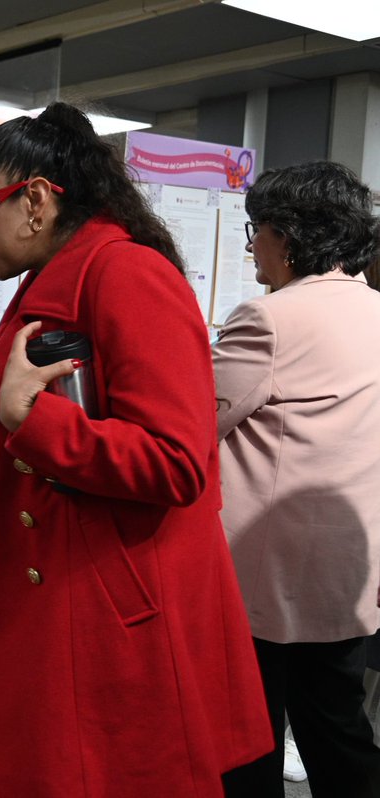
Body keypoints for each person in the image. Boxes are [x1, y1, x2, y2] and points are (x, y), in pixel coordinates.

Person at [0, 102, 270, 795]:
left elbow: (175, 462)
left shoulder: (125, 275)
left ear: (35, 200)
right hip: (55, 595)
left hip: (95, 611)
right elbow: (3, 447)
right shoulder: (50, 281)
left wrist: (36, 424)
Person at [216, 161, 380, 798]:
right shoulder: (374, 309)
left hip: (265, 573)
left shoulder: (269, 319)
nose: (252, 242)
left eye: (255, 228)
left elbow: (192, 425)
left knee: (249, 734)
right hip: (347, 566)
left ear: (286, 235)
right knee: (337, 726)